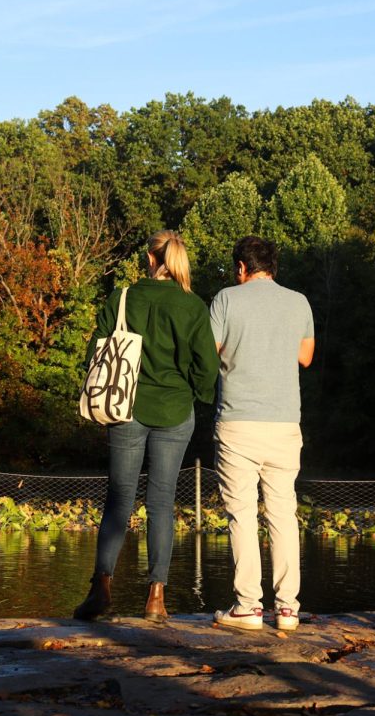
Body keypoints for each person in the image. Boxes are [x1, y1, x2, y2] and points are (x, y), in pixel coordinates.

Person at [74, 230, 219, 623]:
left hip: (126, 407)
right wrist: (195, 394)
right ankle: (156, 597)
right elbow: (207, 366)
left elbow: (95, 352)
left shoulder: (122, 297)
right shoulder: (191, 306)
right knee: (161, 503)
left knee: (119, 498)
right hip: (174, 412)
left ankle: (101, 588)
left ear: (152, 260)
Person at [210, 236, 314, 631]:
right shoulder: (299, 301)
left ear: (241, 268)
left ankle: (249, 607)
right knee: (283, 514)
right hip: (285, 421)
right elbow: (305, 357)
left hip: (238, 420)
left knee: (241, 513)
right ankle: (288, 610)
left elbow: (211, 350)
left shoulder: (225, 300)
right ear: (273, 266)